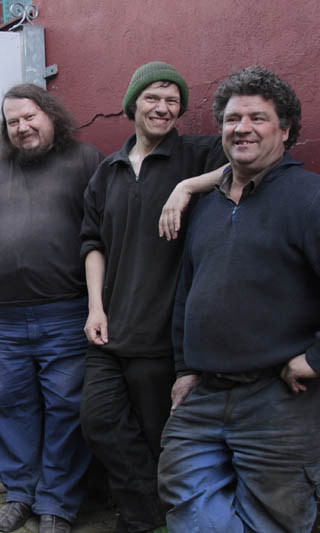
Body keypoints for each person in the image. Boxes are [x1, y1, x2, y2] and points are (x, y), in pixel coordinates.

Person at [159, 66, 320, 532]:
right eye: (232, 119)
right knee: (184, 500)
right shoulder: (206, 204)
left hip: (279, 400)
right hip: (205, 395)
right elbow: (188, 289)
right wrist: (185, 369)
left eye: (257, 118)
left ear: (285, 131)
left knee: (274, 518)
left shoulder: (309, 198)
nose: (241, 128)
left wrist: (315, 358)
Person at [79, 61, 227, 533]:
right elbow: (92, 243)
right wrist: (95, 307)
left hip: (164, 334)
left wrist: (187, 187)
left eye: (172, 101)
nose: (163, 108)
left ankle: (147, 518)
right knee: (99, 421)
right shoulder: (108, 171)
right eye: (153, 98)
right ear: (133, 104)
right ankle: (146, 514)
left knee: (159, 434)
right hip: (110, 330)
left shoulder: (197, 154)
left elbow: (251, 159)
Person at [0, 83, 103, 533]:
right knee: (7, 404)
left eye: (29, 117)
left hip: (65, 314)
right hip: (1, 318)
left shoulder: (85, 161)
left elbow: (104, 232)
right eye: (13, 121)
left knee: (67, 409)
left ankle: (57, 504)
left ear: (51, 115)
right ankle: (20, 494)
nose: (22, 127)